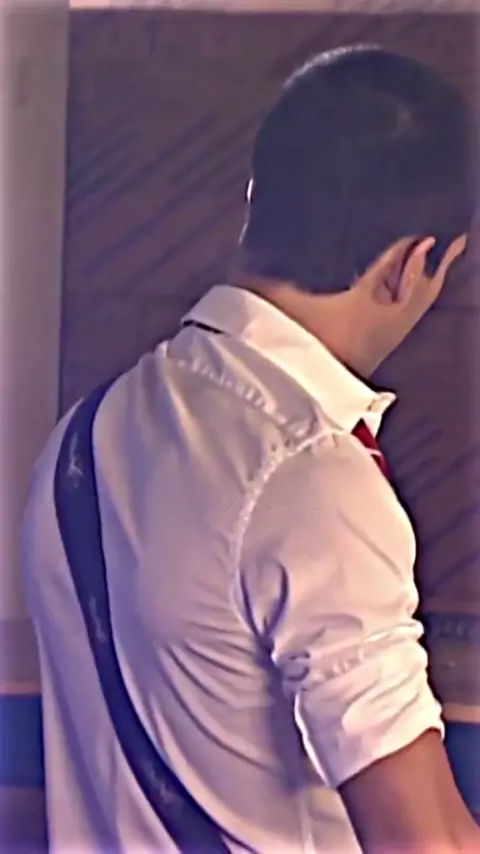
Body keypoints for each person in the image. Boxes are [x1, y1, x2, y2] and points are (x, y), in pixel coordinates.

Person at [22, 44, 480, 853]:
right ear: (416, 263)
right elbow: (424, 844)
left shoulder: (80, 438)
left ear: (255, 200)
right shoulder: (315, 479)